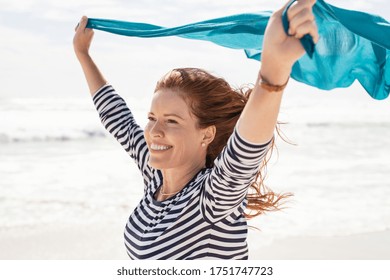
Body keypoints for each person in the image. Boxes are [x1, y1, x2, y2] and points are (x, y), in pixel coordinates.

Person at [73, 0, 319, 259]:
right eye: (152, 117)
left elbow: (245, 149)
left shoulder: (212, 199)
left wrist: (273, 71)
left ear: (206, 134)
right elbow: (117, 118)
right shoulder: (156, 175)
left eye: (172, 121)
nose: (155, 131)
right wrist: (83, 54)